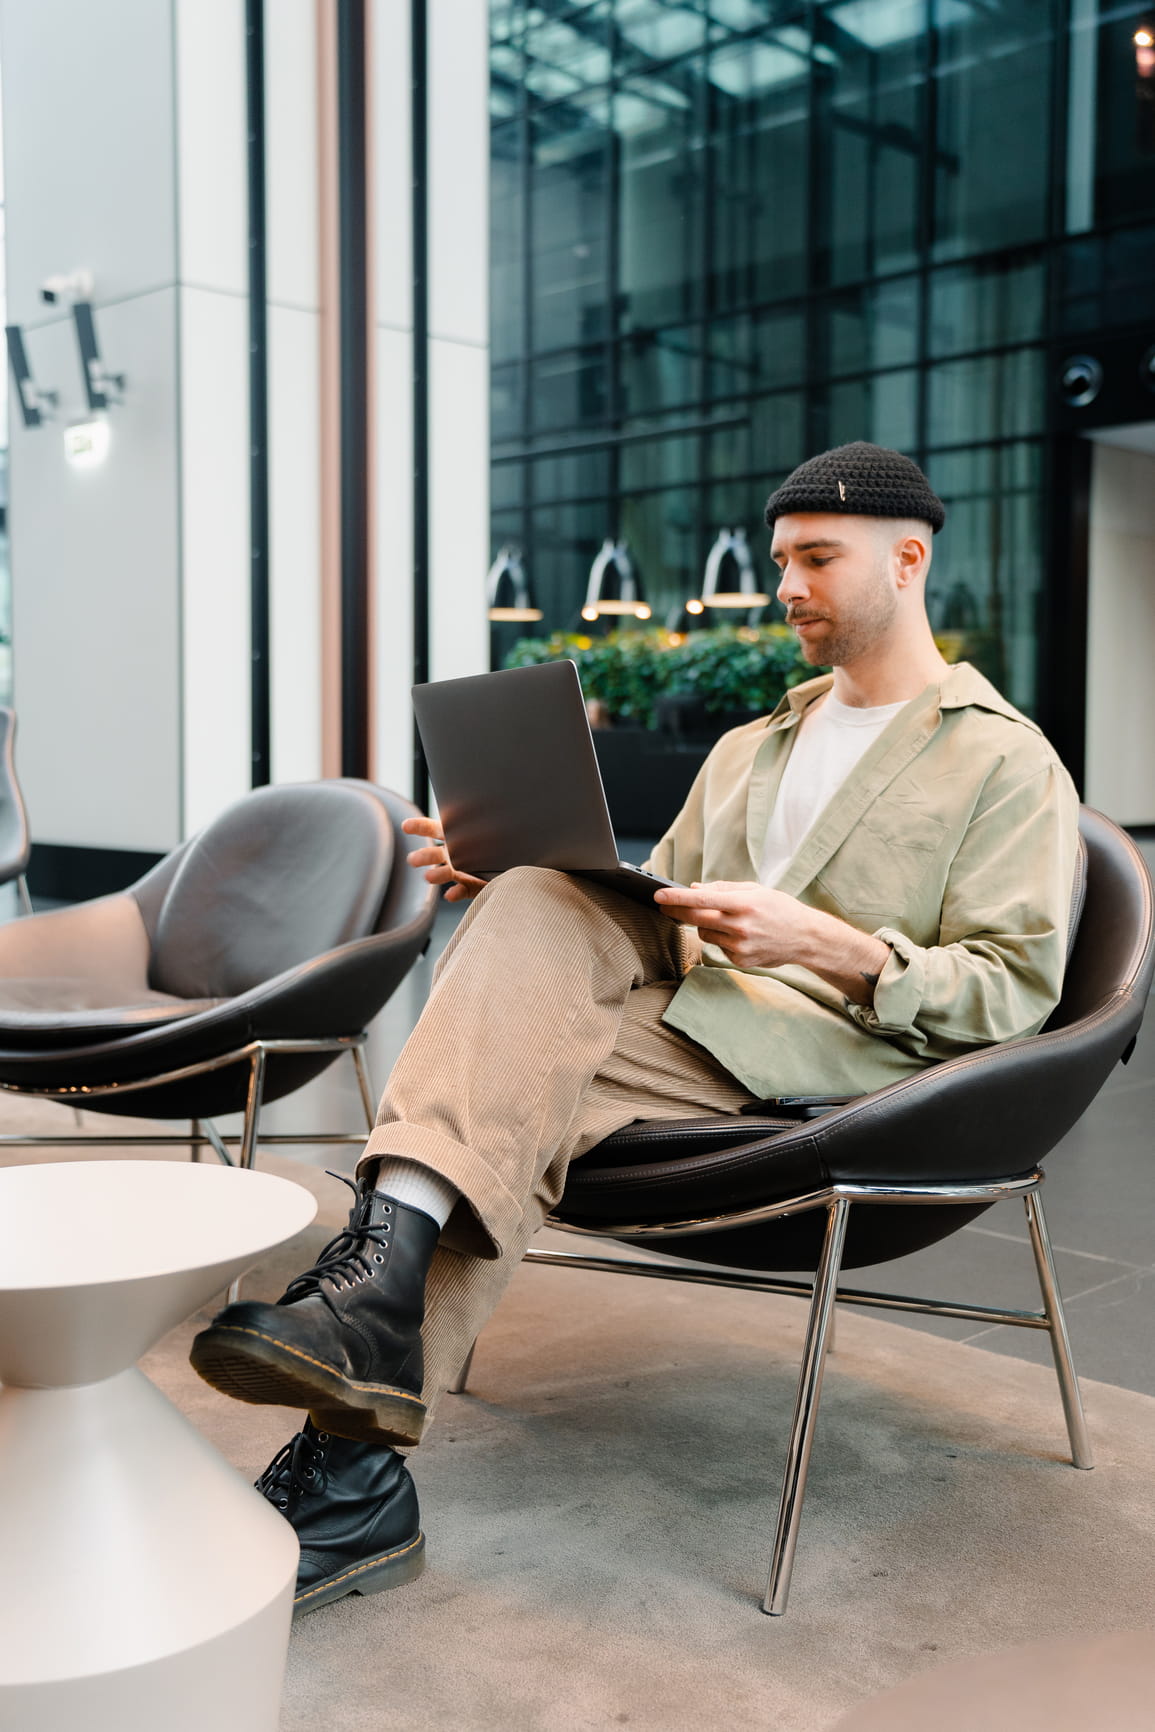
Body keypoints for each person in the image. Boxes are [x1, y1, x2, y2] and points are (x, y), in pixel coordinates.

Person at [190, 441, 1079, 1615]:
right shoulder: (750, 747)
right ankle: (361, 1433)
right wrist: (517, 872)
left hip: (840, 1065)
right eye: (780, 561)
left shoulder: (1004, 761)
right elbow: (655, 915)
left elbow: (1015, 989)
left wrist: (821, 943)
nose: (788, 587)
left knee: (512, 1077)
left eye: (818, 558)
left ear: (909, 559)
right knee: (532, 956)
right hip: (693, 1027)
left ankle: (363, 1353)